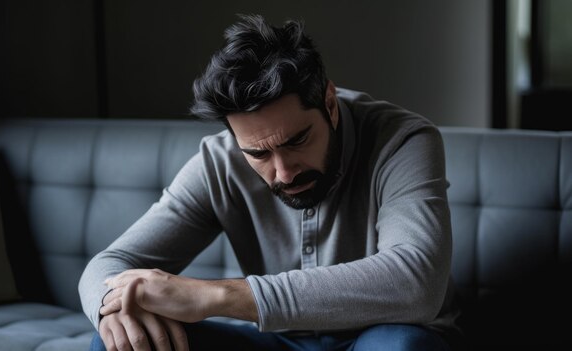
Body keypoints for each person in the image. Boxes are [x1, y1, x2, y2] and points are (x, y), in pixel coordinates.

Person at [79, 14, 463, 351]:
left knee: (402, 347)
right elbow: (109, 264)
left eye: (297, 141)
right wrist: (110, 309)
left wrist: (215, 295)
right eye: (258, 154)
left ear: (329, 103)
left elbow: (416, 282)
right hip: (276, 340)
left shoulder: (403, 141)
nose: (283, 172)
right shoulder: (220, 161)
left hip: (382, 337)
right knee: (120, 344)